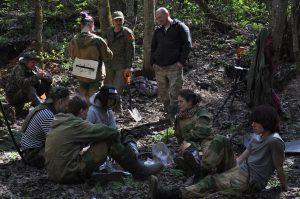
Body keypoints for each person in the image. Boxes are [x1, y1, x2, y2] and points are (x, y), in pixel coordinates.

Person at [150, 105, 287, 199]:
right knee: (221, 140)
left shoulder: (274, 141)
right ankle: (201, 171)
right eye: (253, 122)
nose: (253, 125)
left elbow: (279, 167)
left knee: (211, 182)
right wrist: (228, 171)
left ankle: (171, 195)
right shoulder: (259, 136)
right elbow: (242, 157)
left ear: (267, 123)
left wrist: (284, 189)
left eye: (257, 122)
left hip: (251, 180)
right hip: (241, 170)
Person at [45, 96, 163, 184]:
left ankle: (134, 168)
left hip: (54, 173)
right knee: (108, 141)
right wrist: (117, 136)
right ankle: (139, 171)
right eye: (86, 111)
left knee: (99, 140)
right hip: (68, 174)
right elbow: (106, 131)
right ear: (81, 111)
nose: (87, 114)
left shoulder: (60, 121)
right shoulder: (76, 124)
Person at [174, 89, 235, 179]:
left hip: (206, 140)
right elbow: (179, 136)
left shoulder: (202, 113)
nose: (178, 104)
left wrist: (187, 137)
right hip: (190, 143)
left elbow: (201, 133)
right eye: (178, 101)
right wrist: (182, 144)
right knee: (185, 149)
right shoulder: (179, 118)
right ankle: (194, 168)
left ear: (190, 102)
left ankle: (202, 169)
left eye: (181, 101)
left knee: (207, 154)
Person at [151, 7, 192, 121]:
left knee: (175, 94)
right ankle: (168, 114)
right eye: (157, 18)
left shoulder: (180, 27)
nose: (159, 20)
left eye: (160, 17)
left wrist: (181, 62)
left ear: (167, 14)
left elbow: (187, 45)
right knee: (163, 94)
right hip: (159, 67)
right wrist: (153, 62)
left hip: (174, 66)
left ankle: (174, 117)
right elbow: (153, 47)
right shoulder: (158, 31)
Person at [20, 86, 70, 169]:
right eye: (66, 103)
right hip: (33, 154)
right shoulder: (47, 115)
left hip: (33, 149)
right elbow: (58, 139)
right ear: (60, 101)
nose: (67, 107)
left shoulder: (44, 108)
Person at [69, 11, 113, 98]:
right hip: (95, 76)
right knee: (94, 100)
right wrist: (106, 45)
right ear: (91, 25)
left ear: (81, 25)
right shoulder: (98, 41)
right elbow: (108, 56)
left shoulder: (74, 40)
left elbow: (72, 56)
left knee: (83, 100)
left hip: (81, 74)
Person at [103, 11, 135, 112]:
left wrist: (129, 67)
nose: (118, 22)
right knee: (109, 88)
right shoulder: (108, 31)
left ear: (123, 20)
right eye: (116, 20)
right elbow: (103, 44)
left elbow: (130, 51)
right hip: (109, 64)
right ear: (112, 21)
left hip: (121, 65)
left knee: (117, 89)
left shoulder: (127, 33)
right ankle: (117, 109)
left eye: (120, 20)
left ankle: (114, 110)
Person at [5, 51, 52, 118]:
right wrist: (37, 76)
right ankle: (42, 110)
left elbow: (38, 82)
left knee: (46, 83)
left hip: (29, 94)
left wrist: (47, 78)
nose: (35, 64)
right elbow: (22, 83)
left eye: (35, 62)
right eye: (32, 62)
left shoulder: (33, 68)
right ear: (26, 62)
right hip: (14, 97)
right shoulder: (19, 68)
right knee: (28, 87)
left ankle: (51, 105)